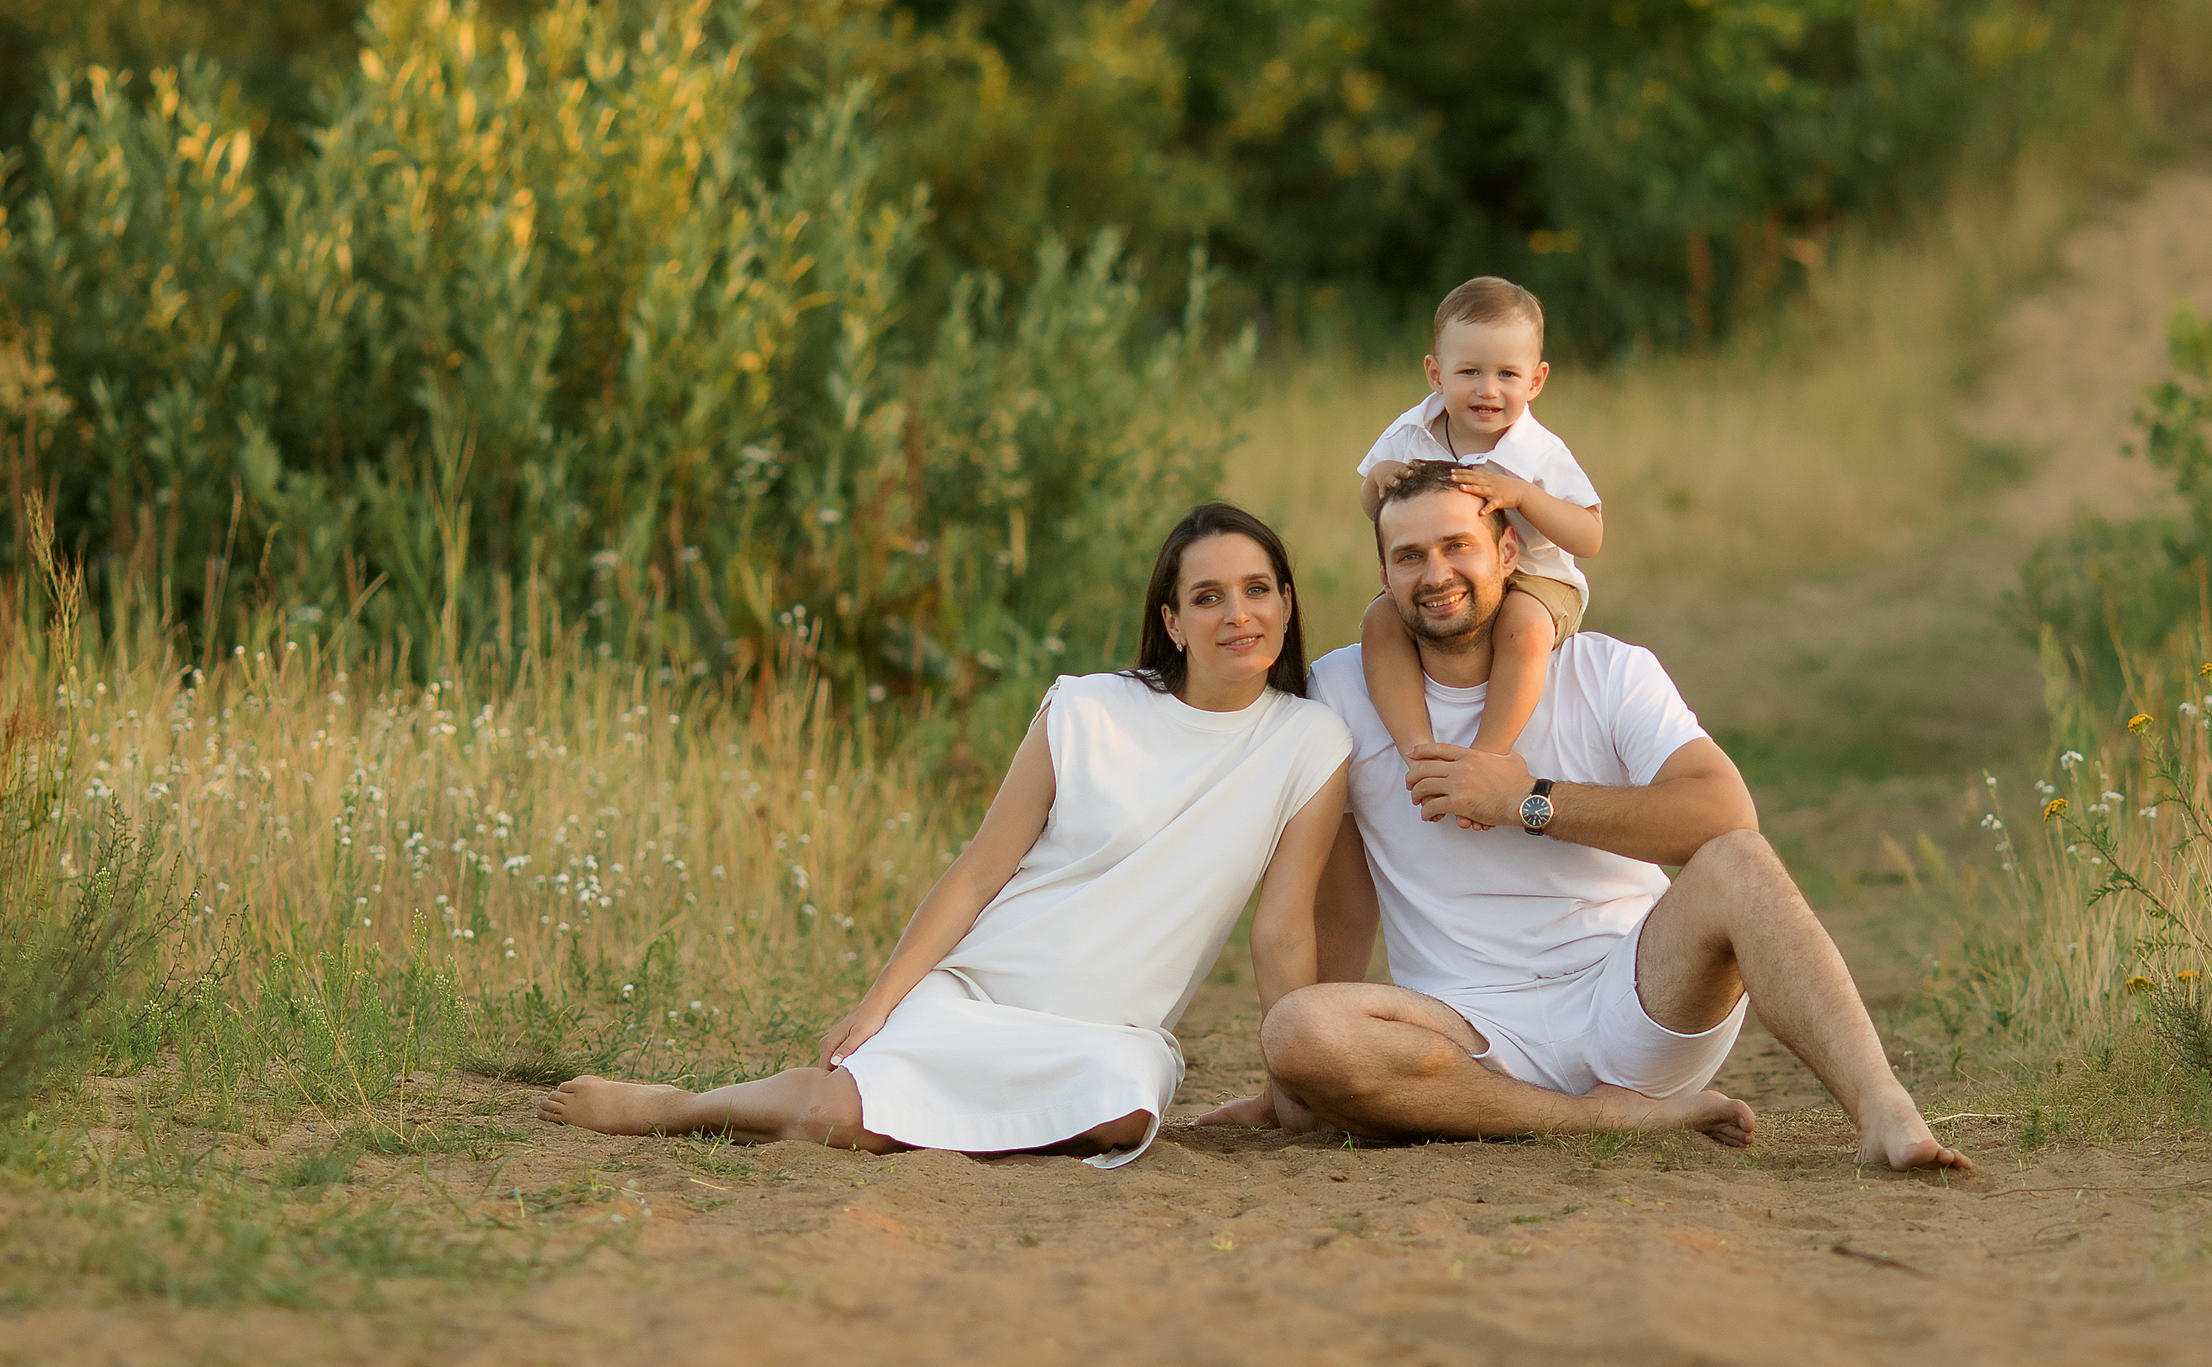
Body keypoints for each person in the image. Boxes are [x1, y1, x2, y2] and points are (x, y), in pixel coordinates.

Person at [1201, 463, 1968, 1172]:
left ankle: (1882, 1107)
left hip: (1635, 996)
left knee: (1738, 860)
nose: (1435, 574)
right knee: (1298, 1030)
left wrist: (1527, 799)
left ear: (1506, 551)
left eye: (1457, 546)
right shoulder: (1337, 690)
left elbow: (1724, 811)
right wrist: (1299, 1084)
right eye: (1409, 556)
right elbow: (1340, 895)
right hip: (1465, 1036)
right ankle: (1602, 1120)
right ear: (1383, 575)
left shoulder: (1606, 669)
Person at [540, 504, 1354, 1168]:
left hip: (1108, 1036)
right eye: (1208, 596)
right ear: (1172, 620)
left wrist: (1294, 1093)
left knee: (1127, 1105)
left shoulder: (1310, 741)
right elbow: (977, 872)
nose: (1238, 614)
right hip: (984, 991)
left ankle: (929, 1108)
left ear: (1286, 600)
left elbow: (1281, 928)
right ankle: (678, 1110)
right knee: (828, 1113)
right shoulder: (1089, 709)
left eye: (1257, 589)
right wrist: (877, 1005)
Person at [1357, 276, 1601, 798]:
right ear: (1435, 373)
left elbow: (1590, 535)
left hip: (1535, 581)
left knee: (1524, 626)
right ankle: (1420, 752)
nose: (1488, 389)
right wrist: (1378, 480)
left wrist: (1524, 496)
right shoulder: (1410, 431)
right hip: (1445, 580)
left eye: (1507, 374)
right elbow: (1371, 507)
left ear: (1535, 381)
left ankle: (1488, 756)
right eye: (1469, 371)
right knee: (1379, 621)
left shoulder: (1538, 451)